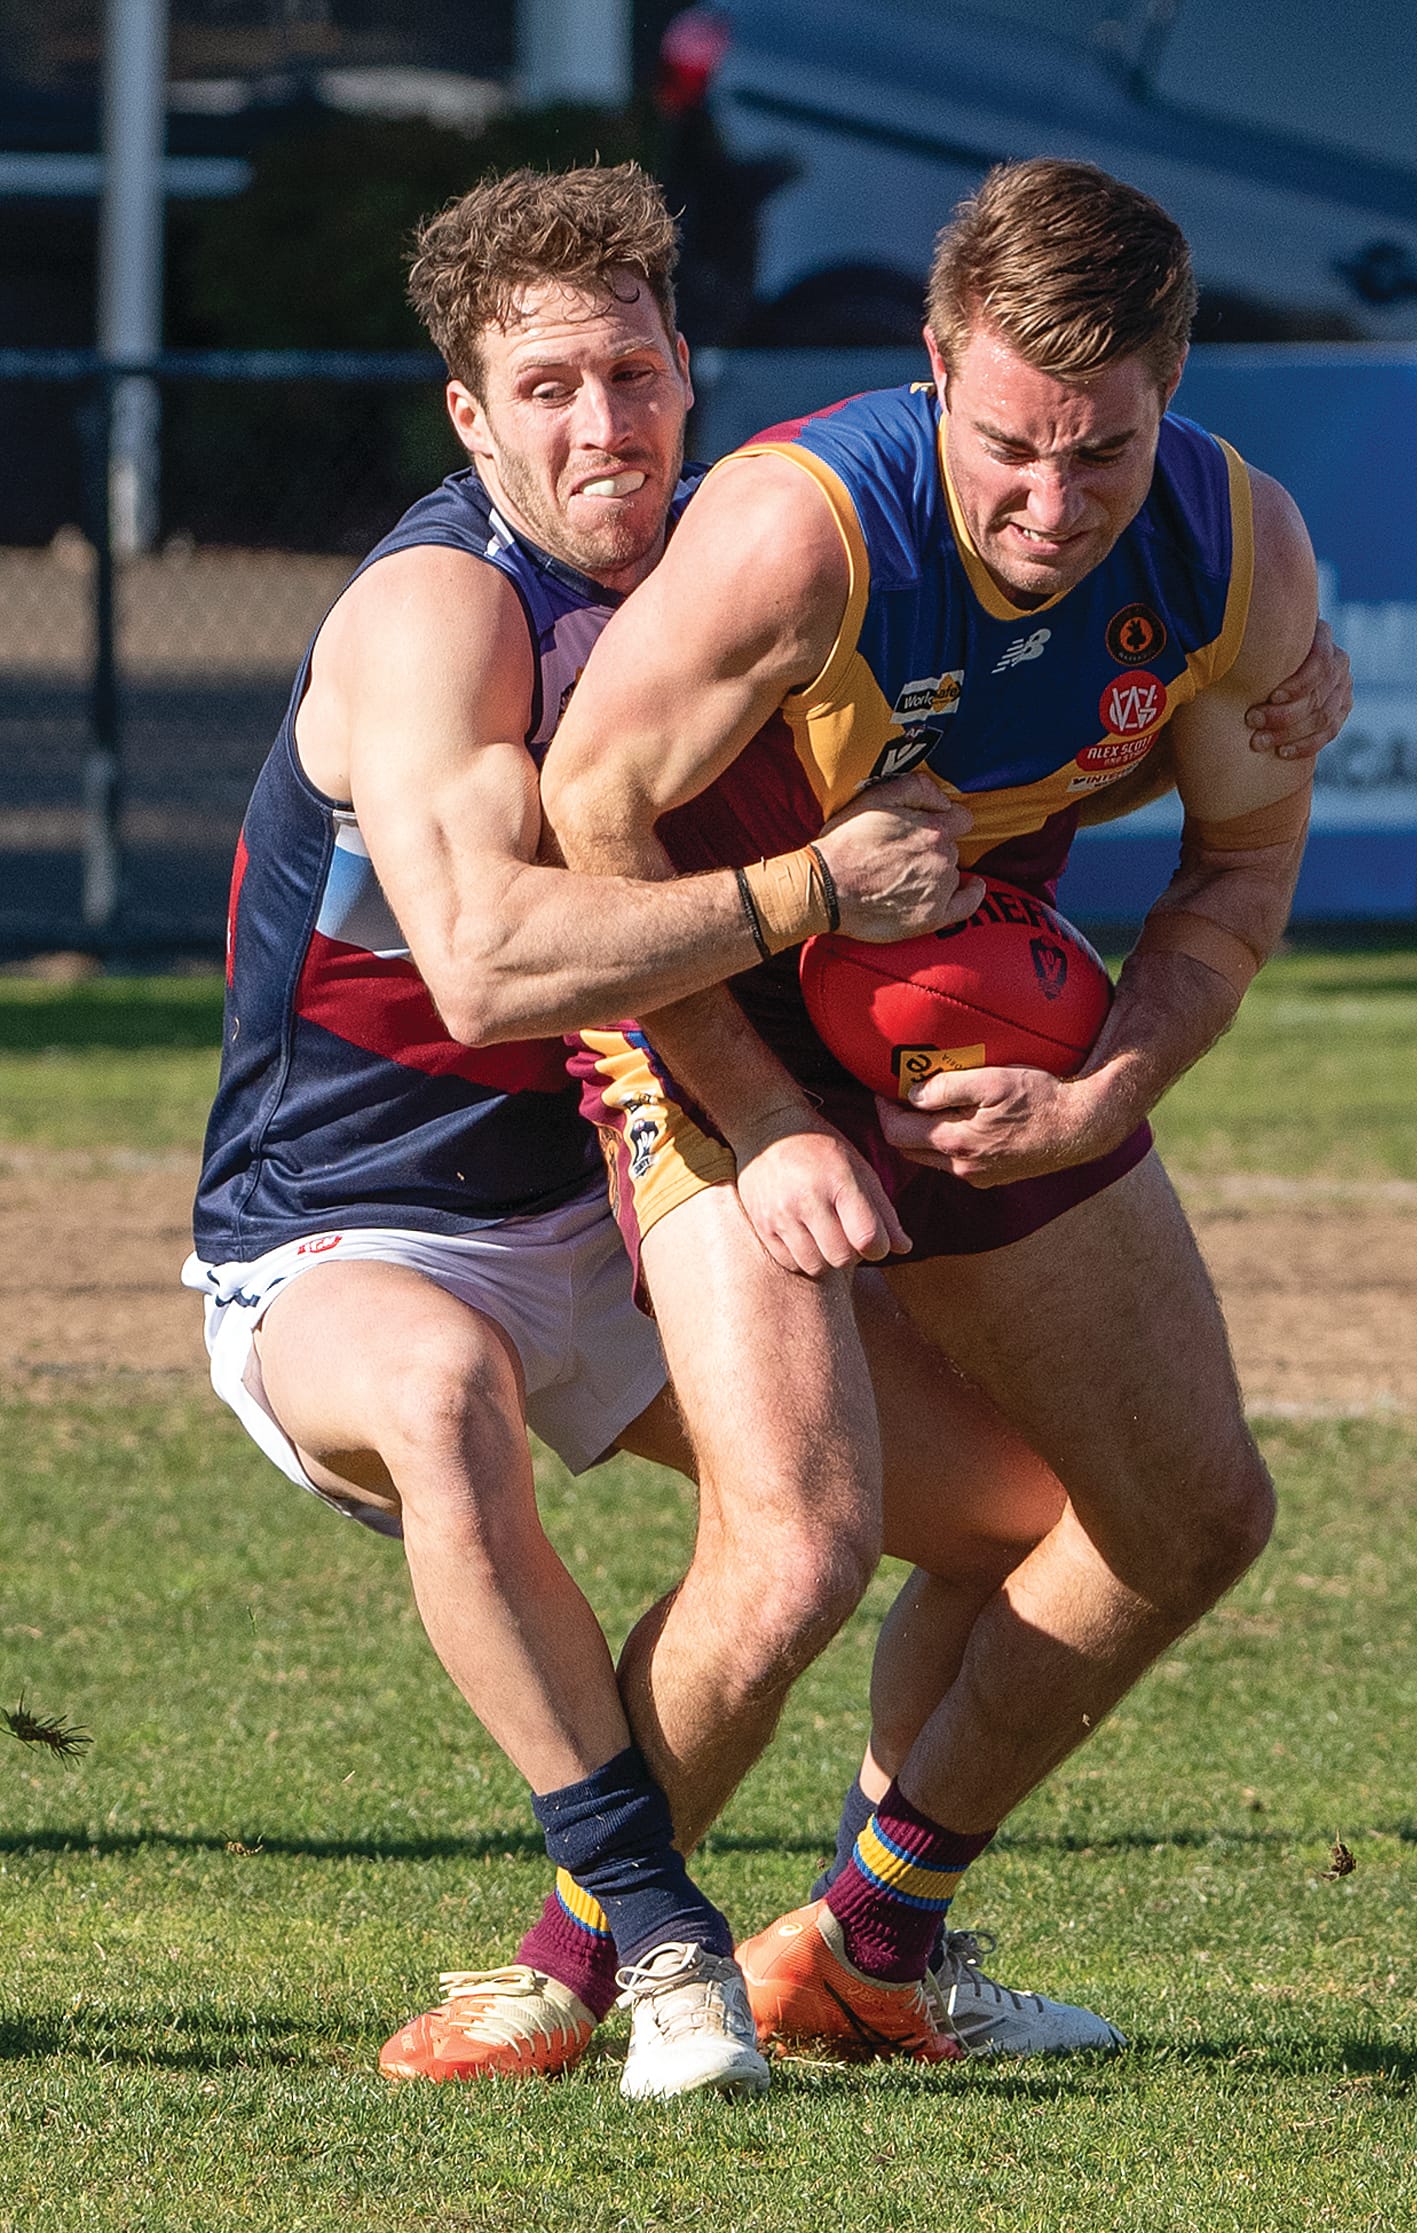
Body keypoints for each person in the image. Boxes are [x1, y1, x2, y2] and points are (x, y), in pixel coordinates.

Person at [181, 162, 992, 2103]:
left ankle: (866, 1939)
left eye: (629, 372)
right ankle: (658, 1934)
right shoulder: (434, 611)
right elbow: (477, 964)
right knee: (451, 1395)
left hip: (605, 1200)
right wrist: (813, 890)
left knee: (1022, 1523)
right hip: (344, 1235)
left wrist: (1258, 681)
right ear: (469, 416)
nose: (600, 424)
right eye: (545, 386)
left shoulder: (721, 574)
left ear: (688, 374)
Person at [539, 156, 1342, 2062]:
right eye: (1006, 447)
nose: (1048, 505)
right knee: (796, 1546)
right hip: (705, 1008)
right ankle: (572, 1968)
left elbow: (1236, 875)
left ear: (1174, 392)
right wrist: (764, 1106)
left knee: (1187, 1513)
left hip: (958, 1017)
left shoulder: (1234, 546)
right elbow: (587, 811)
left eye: (1105, 455)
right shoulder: (794, 532)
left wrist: (1110, 1091)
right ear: (933, 363)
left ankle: (870, 1939)